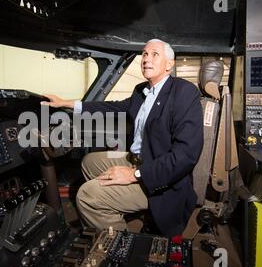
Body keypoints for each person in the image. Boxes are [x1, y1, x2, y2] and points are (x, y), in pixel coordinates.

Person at [42, 39, 203, 237]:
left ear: (169, 64)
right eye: (144, 54)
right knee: (89, 162)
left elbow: (185, 156)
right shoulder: (141, 91)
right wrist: (66, 103)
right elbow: (112, 107)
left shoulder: (184, 93)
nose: (146, 59)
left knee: (86, 196)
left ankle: (120, 246)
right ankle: (113, 205)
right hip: (137, 158)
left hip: (162, 179)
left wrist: (134, 175)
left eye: (154, 54)